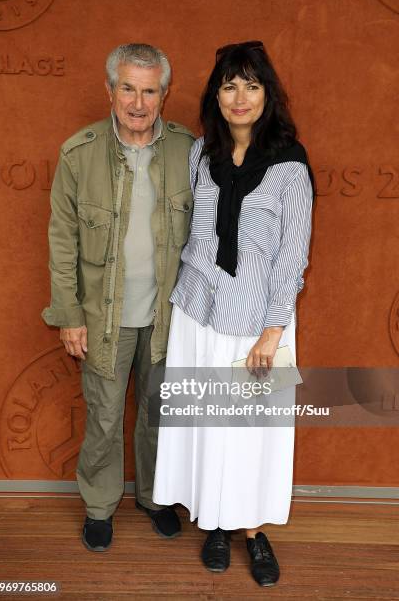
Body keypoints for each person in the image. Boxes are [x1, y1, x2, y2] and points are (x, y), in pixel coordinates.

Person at [153, 40, 314, 586]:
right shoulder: (202, 154)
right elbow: (193, 235)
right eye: (228, 85)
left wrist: (273, 332)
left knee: (251, 429)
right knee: (206, 423)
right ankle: (215, 524)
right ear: (215, 95)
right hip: (197, 313)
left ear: (267, 94)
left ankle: (252, 531)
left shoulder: (290, 164)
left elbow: (293, 255)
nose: (239, 97)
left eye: (250, 84)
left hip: (257, 323)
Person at [42, 43, 194, 550]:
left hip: (168, 317)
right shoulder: (77, 153)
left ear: (164, 95)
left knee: (159, 413)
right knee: (104, 418)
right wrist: (68, 315)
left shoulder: (188, 152)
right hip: (101, 317)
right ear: (109, 90)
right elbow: (62, 240)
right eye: (128, 87)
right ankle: (100, 506)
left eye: (149, 90)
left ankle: (154, 497)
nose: (138, 101)